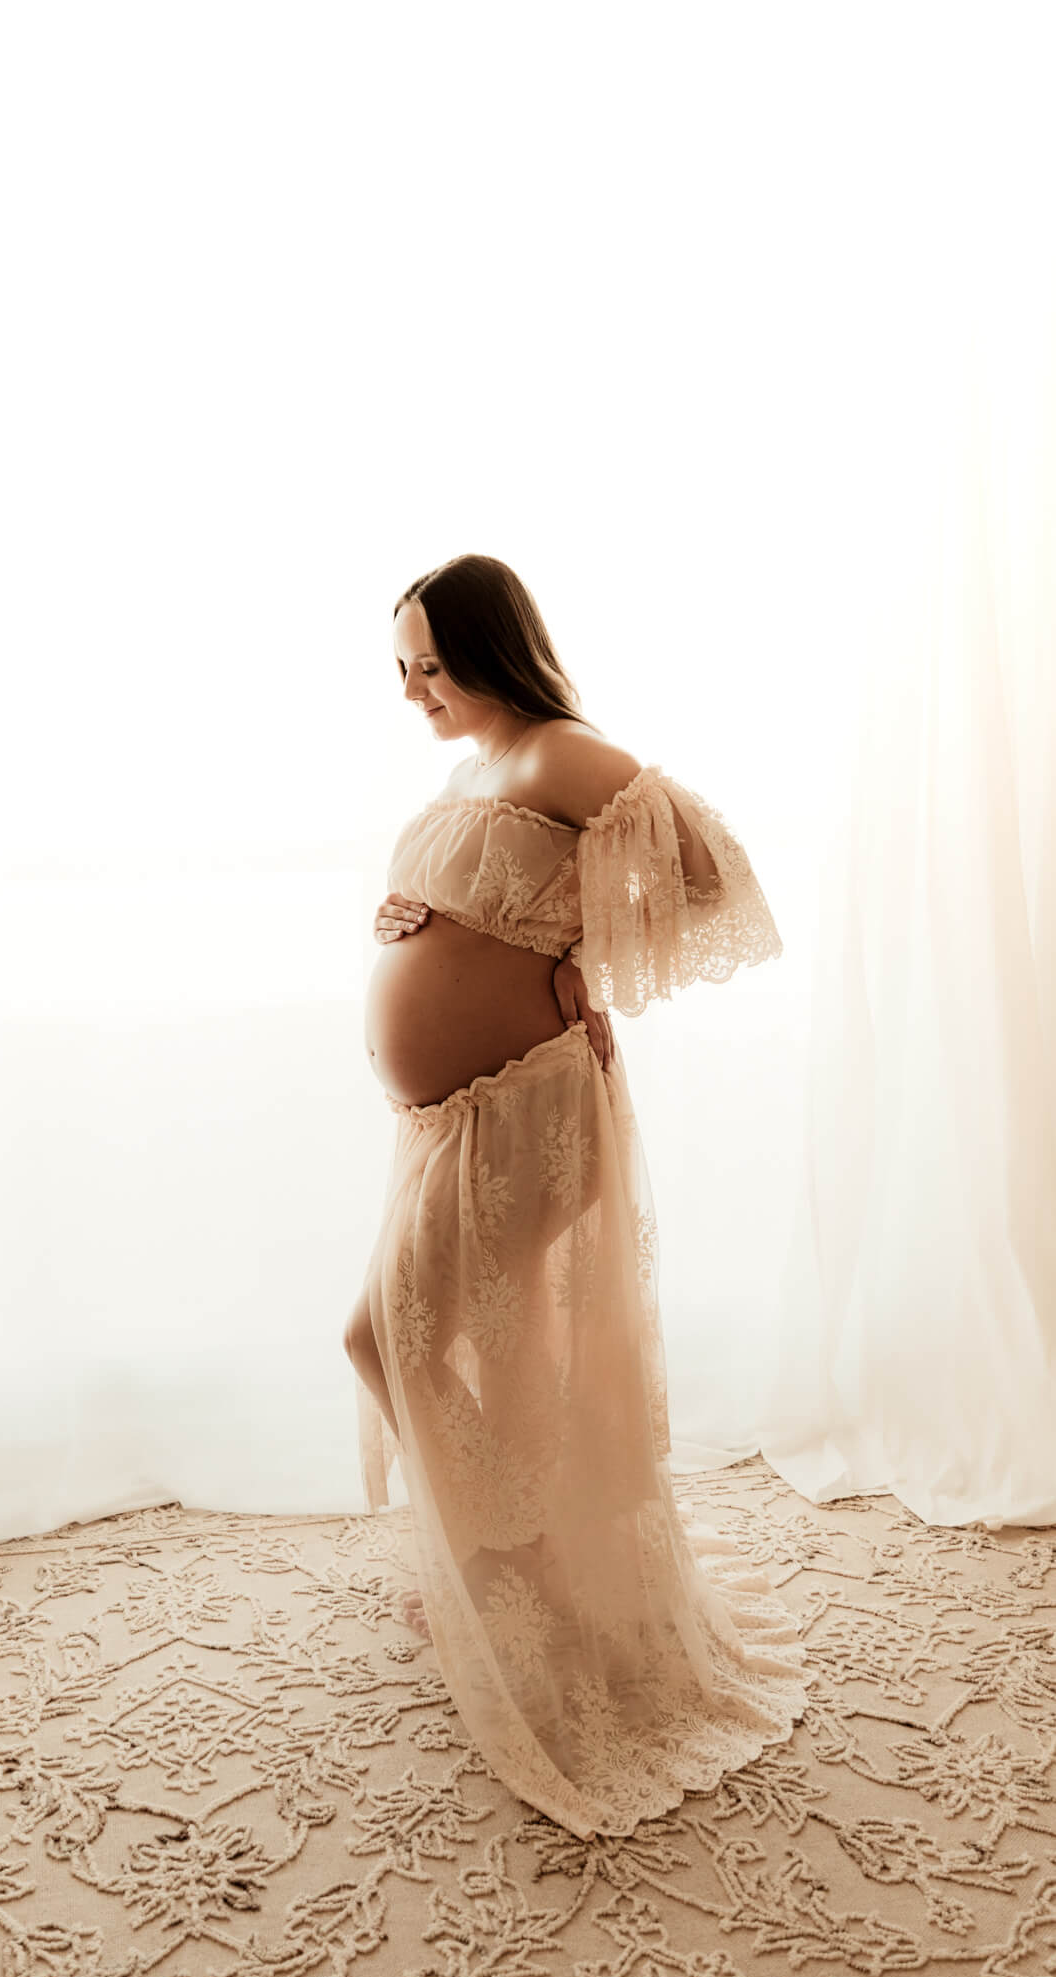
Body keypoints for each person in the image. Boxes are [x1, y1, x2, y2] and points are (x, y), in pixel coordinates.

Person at [343, 552, 814, 1841]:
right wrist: (416, 911)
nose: (414, 691)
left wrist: (585, 960)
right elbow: (495, 898)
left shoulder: (555, 752)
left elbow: (708, 870)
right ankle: (513, 1560)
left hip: (527, 1111)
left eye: (432, 666)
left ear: (496, 652)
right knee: (469, 1341)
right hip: (449, 1118)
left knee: (382, 1336)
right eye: (400, 668)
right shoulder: (469, 774)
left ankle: (516, 1567)